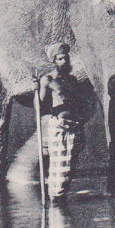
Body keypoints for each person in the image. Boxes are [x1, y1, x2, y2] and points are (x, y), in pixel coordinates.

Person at [33, 43, 88, 199]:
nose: (65, 61)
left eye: (67, 58)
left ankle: (61, 205)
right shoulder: (48, 80)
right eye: (61, 58)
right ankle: (56, 200)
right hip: (59, 128)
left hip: (74, 128)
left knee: (69, 169)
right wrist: (36, 90)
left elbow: (80, 103)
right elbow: (39, 107)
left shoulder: (72, 80)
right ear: (54, 61)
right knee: (59, 169)